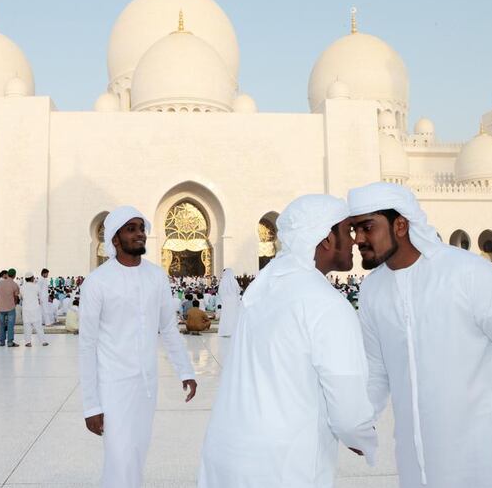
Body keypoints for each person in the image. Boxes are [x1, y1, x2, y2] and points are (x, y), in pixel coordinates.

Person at [348, 181, 492, 488]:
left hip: (486, 463)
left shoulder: (467, 273)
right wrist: (358, 421)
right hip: (418, 467)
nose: (358, 238)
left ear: (400, 224)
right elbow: (376, 370)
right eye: (354, 230)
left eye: (367, 227)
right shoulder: (373, 290)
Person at [198, 195, 376, 487]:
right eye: (347, 230)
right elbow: (348, 412)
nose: (355, 240)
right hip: (283, 465)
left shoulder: (262, 290)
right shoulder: (326, 303)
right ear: (326, 238)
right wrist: (364, 437)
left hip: (229, 454)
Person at [79, 206, 196, 488]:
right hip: (113, 385)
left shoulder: (156, 276)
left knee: (135, 454)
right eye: (130, 229)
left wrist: (185, 371)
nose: (139, 233)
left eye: (141, 227)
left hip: (146, 386)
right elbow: (86, 345)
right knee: (119, 457)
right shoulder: (98, 282)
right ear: (115, 239)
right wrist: (91, 404)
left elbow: (167, 328)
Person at [20, 272, 48, 347]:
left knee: (27, 326)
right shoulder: (36, 286)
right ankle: (43, 341)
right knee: (38, 325)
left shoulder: (22, 287)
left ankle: (28, 342)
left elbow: (21, 297)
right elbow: (41, 297)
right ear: (32, 278)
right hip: (35, 308)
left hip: (26, 309)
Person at [0, 269, 20, 347]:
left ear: (8, 274)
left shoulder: (0, 283)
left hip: (1, 308)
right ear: (14, 275)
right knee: (10, 325)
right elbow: (16, 297)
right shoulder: (14, 285)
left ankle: (2, 342)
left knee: (2, 325)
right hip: (10, 307)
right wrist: (15, 303)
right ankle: (10, 342)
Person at [216, 269, 242, 337]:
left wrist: (224, 298)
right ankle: (233, 331)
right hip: (233, 301)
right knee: (233, 316)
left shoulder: (222, 281)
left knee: (225, 316)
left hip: (225, 301)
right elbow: (238, 291)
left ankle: (225, 331)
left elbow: (220, 292)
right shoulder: (234, 281)